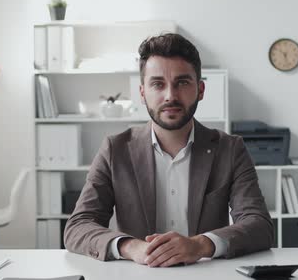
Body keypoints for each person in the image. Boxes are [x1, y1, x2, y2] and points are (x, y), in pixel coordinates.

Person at [64, 33, 274, 267]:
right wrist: (131, 247)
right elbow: (78, 226)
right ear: (143, 93)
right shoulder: (115, 150)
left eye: (182, 82)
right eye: (158, 84)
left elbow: (259, 225)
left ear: (201, 90)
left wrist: (200, 245)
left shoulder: (230, 149)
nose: (170, 96)